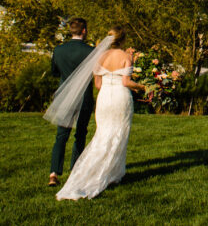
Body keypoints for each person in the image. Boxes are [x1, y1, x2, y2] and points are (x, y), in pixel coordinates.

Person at [56, 24, 146, 201]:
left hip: (104, 98)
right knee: (119, 134)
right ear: (122, 40)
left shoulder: (98, 56)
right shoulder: (126, 56)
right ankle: (113, 173)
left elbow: (97, 84)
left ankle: (98, 172)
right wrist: (142, 86)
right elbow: (126, 82)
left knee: (103, 133)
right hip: (120, 98)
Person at [48, 18, 94, 187]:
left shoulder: (59, 50)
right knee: (80, 134)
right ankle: (75, 170)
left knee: (61, 134)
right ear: (84, 31)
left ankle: (54, 172)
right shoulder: (91, 51)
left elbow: (54, 71)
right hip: (84, 96)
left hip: (65, 95)